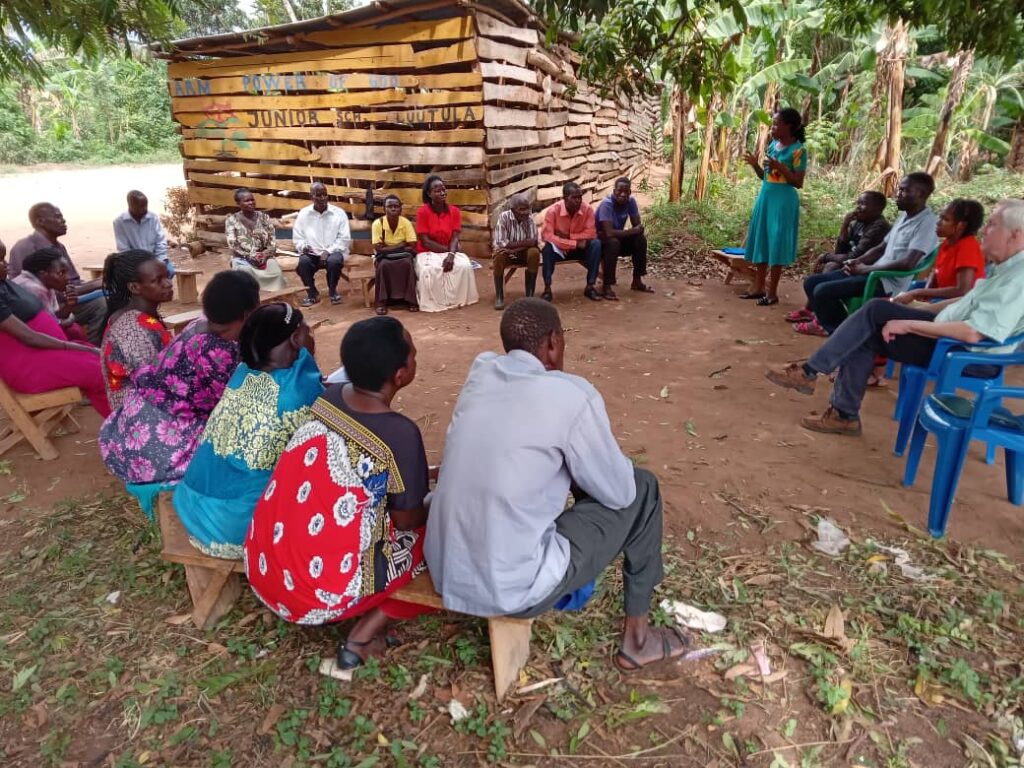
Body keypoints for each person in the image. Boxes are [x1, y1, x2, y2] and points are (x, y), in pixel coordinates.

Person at [426, 298, 690, 671]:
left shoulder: (481, 374)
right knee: (643, 488)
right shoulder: (572, 395)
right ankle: (638, 640)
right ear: (553, 343)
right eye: (563, 340)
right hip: (512, 589)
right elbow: (621, 493)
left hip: (446, 568)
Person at [245, 316, 433, 669]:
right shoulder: (401, 434)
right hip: (316, 595)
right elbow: (408, 520)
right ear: (400, 374)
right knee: (447, 544)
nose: (415, 360)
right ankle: (367, 629)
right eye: (413, 355)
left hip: (266, 568)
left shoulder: (329, 397)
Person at [765, 198, 1024, 437]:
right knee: (874, 316)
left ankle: (820, 384)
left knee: (872, 320)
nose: (985, 230)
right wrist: (920, 309)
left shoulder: (1018, 278)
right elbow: (966, 302)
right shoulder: (1007, 268)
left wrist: (908, 322)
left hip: (965, 353)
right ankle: (837, 406)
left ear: (1016, 234)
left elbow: (973, 332)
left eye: (992, 225)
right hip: (950, 336)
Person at [174, 303, 323, 559]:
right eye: (307, 331)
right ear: (296, 338)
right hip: (236, 527)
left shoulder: (242, 373)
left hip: (193, 508)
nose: (310, 336)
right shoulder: (297, 391)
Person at [98, 271, 260, 485]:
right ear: (247, 315)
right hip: (157, 442)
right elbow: (233, 409)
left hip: (134, 421)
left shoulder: (200, 324)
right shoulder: (218, 351)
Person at [794, 173, 939, 336]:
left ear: (921, 194)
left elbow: (908, 263)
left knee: (822, 290)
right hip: (872, 272)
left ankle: (840, 331)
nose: (898, 194)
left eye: (904, 191)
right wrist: (857, 261)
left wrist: (866, 269)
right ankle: (838, 326)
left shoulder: (927, 224)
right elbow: (881, 247)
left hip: (885, 281)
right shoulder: (904, 216)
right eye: (899, 189)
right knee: (811, 282)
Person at [0, 239, 109, 416]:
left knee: (102, 360)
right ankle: (127, 432)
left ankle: (125, 424)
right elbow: (30, 337)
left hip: (40, 354)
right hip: (28, 365)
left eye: (3, 258)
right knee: (100, 372)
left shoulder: (4, 284)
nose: (6, 264)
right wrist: (74, 346)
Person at [10, 203, 107, 345]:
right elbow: (58, 292)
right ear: (40, 221)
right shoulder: (24, 248)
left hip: (59, 306)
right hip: (41, 311)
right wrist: (97, 284)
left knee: (112, 295)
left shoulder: (59, 247)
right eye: (57, 217)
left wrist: (98, 284)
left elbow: (73, 282)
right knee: (101, 304)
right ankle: (95, 346)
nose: (63, 221)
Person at [740, 108, 808, 306]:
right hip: (766, 197)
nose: (773, 127)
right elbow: (766, 176)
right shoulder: (773, 146)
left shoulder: (798, 151)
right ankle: (758, 288)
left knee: (776, 244)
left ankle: (772, 293)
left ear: (789, 126)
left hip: (783, 202)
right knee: (763, 241)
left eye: (777, 124)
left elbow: (798, 182)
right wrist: (755, 165)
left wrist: (782, 168)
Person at [100, 250, 174, 410]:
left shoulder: (132, 316)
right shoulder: (135, 329)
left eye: (167, 276)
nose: (168, 283)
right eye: (158, 280)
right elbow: (154, 384)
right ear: (134, 287)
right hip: (143, 417)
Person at [891, 198, 985, 305]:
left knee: (910, 300)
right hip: (943, 292)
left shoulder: (968, 247)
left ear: (961, 225)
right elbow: (936, 273)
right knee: (912, 287)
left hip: (959, 302)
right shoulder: (947, 244)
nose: (938, 222)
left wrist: (918, 293)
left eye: (945, 219)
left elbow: (963, 291)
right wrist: (925, 292)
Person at [414, 175, 479, 312]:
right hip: (427, 251)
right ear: (429, 194)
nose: (442, 193)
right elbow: (425, 241)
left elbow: (455, 237)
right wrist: (448, 252)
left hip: (450, 249)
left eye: (443, 189)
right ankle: (434, 304)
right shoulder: (422, 212)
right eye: (437, 191)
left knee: (464, 266)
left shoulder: (454, 211)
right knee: (429, 271)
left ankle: (457, 301)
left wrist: (451, 255)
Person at [540, 182, 603, 302]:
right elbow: (547, 236)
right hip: (560, 250)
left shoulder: (587, 209)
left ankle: (590, 286)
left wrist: (568, 236)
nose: (578, 200)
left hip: (580, 249)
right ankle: (547, 289)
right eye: (574, 197)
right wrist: (574, 243)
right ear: (564, 198)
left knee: (596, 244)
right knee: (547, 249)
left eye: (580, 197)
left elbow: (591, 233)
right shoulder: (553, 211)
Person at [293, 182, 351, 307]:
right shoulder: (303, 214)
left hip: (334, 251)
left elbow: (344, 239)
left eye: (325, 194)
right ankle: (312, 293)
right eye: (319, 195)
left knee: (334, 262)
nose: (323, 198)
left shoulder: (338, 213)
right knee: (303, 263)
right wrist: (304, 247)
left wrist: (328, 251)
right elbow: (298, 238)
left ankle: (332, 291)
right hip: (312, 252)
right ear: (311, 197)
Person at [11, 247, 88, 342]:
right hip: (23, 338)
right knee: (74, 332)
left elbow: (54, 316)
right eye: (61, 273)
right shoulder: (33, 289)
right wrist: (70, 318)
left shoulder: (45, 284)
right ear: (43, 274)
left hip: (40, 332)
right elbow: (52, 326)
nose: (68, 278)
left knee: (74, 330)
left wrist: (69, 306)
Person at [596, 177, 652, 298]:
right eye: (619, 191)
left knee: (640, 240)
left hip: (616, 238)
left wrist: (635, 230)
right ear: (614, 191)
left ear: (630, 192)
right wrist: (633, 231)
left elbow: (638, 227)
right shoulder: (607, 204)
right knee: (613, 243)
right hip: (600, 243)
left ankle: (637, 280)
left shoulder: (631, 202)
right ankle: (607, 285)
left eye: (626, 191)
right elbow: (608, 233)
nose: (622, 194)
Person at [811, 191, 890, 275]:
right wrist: (844, 226)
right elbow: (840, 251)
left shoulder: (879, 227)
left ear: (878, 208)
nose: (857, 208)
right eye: (858, 203)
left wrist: (825, 257)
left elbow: (854, 257)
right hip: (852, 264)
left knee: (829, 268)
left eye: (863, 204)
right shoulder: (859, 223)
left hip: (867, 269)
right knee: (831, 266)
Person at [225, 189, 288, 292]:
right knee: (246, 273)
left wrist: (265, 254)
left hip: (264, 257)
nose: (251, 203)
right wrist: (250, 256)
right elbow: (233, 244)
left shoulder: (264, 218)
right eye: (246, 201)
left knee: (275, 272)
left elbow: (272, 241)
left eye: (252, 200)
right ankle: (252, 300)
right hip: (243, 258)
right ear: (238, 204)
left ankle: (274, 297)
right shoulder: (231, 220)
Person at [371, 194, 419, 315]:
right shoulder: (378, 224)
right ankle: (382, 302)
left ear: (400, 209)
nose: (393, 209)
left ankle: (410, 300)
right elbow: (378, 249)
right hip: (385, 257)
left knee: (407, 264)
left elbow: (412, 245)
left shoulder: (406, 223)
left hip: (402, 256)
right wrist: (401, 245)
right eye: (390, 206)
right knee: (383, 266)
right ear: (384, 209)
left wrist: (387, 248)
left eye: (396, 206)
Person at [492, 193, 540, 310]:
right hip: (507, 253)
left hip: (522, 253)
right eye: (521, 209)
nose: (525, 212)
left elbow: (533, 242)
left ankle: (529, 296)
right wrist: (525, 243)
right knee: (498, 256)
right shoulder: (504, 217)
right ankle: (499, 296)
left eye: (527, 208)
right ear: (513, 210)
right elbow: (502, 243)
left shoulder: (530, 218)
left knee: (534, 253)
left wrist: (514, 248)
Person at [112, 191, 174, 275]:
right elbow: (124, 249)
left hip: (156, 258)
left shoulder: (153, 217)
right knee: (140, 279)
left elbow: (160, 241)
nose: (145, 208)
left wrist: (160, 260)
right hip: (134, 263)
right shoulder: (119, 222)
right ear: (131, 205)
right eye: (141, 206)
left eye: (146, 205)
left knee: (169, 271)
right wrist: (141, 265)